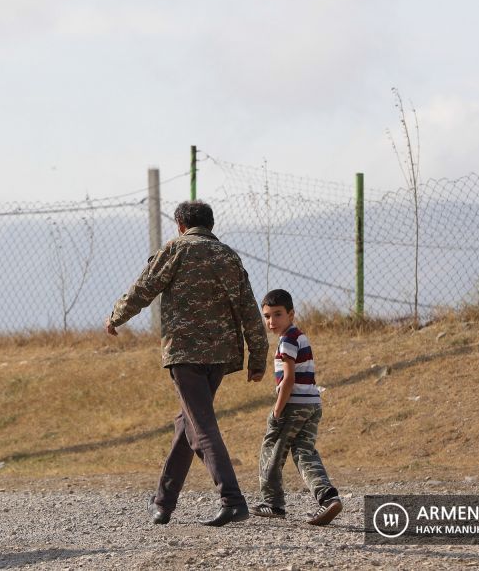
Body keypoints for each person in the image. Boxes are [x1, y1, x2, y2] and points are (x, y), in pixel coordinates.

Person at [104, 200, 268, 527]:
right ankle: (163, 503)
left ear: (180, 225)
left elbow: (143, 289)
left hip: (184, 353)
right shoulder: (229, 256)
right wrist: (258, 355)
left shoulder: (176, 250)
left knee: (201, 426)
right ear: (210, 225)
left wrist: (116, 317)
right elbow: (250, 307)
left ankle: (232, 499)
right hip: (221, 355)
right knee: (188, 423)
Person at [249, 289, 342, 526]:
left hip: (293, 406)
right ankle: (328, 498)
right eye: (267, 316)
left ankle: (273, 504)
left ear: (291, 314)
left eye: (277, 315)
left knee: (271, 450)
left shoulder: (287, 339)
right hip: (313, 404)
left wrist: (278, 410)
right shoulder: (300, 336)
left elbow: (288, 379)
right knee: (304, 452)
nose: (271, 321)